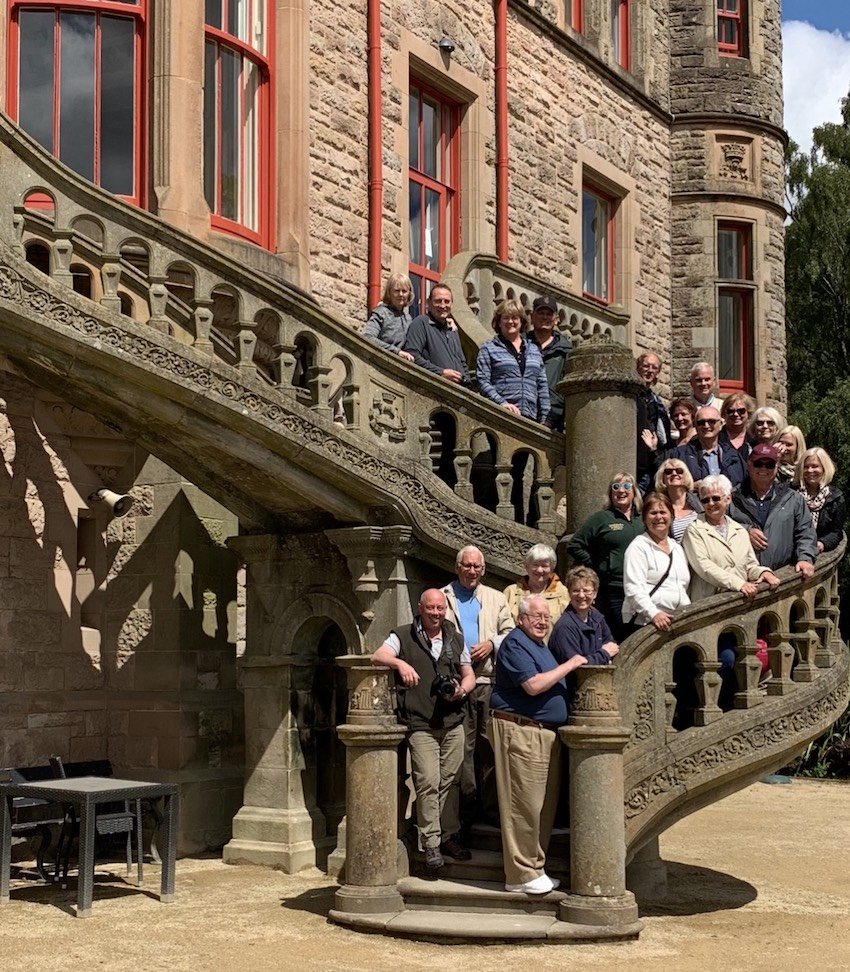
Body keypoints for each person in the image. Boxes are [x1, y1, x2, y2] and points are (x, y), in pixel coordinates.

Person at [487, 595, 587, 895]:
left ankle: (535, 868)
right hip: (520, 729)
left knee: (542, 807)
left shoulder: (540, 645)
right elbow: (532, 686)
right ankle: (519, 875)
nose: (542, 622)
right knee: (523, 805)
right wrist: (570, 664)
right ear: (521, 619)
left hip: (543, 732)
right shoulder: (515, 643)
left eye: (546, 616)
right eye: (535, 617)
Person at [371, 589, 476, 869]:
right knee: (428, 781)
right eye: (430, 608)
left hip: (453, 721)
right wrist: (399, 662)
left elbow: (469, 674)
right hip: (420, 723)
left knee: (450, 782)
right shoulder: (403, 635)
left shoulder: (455, 637)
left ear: (446, 610)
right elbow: (377, 656)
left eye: (440, 609)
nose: (435, 613)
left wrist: (461, 691)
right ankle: (430, 842)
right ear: (420, 607)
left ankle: (449, 836)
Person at [682, 475, 780, 707]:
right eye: (705, 500)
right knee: (722, 661)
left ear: (728, 499)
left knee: (743, 659)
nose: (711, 504)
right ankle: (711, 710)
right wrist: (738, 584)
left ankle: (731, 709)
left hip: (738, 608)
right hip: (710, 606)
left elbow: (749, 564)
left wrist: (762, 572)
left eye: (716, 498)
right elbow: (704, 566)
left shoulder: (738, 529)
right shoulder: (694, 529)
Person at [441, 546, 515, 834]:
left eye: (477, 567)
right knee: (462, 749)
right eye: (467, 565)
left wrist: (491, 644)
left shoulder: (495, 598)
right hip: (457, 683)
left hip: (487, 682)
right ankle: (466, 812)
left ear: (483, 570)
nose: (472, 571)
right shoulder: (443, 597)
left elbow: (510, 632)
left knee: (489, 747)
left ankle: (491, 809)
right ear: (457, 567)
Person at [565, 473, 644, 640]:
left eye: (627, 486)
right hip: (614, 588)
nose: (621, 491)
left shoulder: (642, 519)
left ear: (634, 491)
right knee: (620, 632)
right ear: (610, 493)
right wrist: (597, 564)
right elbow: (574, 545)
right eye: (616, 487)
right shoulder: (601, 518)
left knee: (639, 632)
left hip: (641, 585)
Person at [729, 443, 818, 577]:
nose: (763, 468)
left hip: (781, 577)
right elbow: (717, 527)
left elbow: (805, 532)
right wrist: (745, 531)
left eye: (769, 464)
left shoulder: (793, 498)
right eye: (758, 463)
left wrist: (805, 558)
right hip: (744, 579)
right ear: (749, 465)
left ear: (777, 467)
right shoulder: (731, 497)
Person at [622, 492, 690, 631]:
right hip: (647, 623)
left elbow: (683, 587)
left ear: (671, 516)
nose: (659, 517)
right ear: (645, 519)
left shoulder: (677, 548)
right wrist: (653, 613)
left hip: (677, 621)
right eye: (653, 513)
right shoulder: (638, 547)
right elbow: (633, 588)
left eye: (663, 512)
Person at [475, 299, 550, 423]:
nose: (510, 321)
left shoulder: (534, 350)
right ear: (499, 322)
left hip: (531, 418)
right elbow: (482, 381)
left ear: (521, 321)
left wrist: (545, 418)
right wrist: (501, 403)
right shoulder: (488, 348)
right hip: (501, 416)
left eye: (515, 318)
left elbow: (542, 386)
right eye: (506, 318)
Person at [549, 566, 619, 666]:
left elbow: (611, 646)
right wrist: (604, 655)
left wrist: (607, 654)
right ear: (569, 593)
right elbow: (576, 667)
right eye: (576, 590)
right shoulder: (565, 627)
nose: (581, 595)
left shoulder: (597, 618)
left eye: (586, 591)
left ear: (595, 593)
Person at [403, 283, 470, 385]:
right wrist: (440, 373)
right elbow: (412, 356)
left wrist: (466, 381)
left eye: (447, 301)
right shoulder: (421, 323)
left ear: (452, 304)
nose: (443, 305)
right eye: (438, 301)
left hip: (458, 392)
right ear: (429, 303)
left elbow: (462, 363)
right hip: (434, 390)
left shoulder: (452, 330)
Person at [671, 405, 746, 487]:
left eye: (711, 421)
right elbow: (665, 483)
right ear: (695, 426)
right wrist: (691, 486)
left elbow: (744, 485)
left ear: (721, 424)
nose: (706, 426)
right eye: (701, 423)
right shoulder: (679, 455)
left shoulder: (734, 456)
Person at [529, 295, 571, 432]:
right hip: (523, 412)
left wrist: (552, 417)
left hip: (552, 421)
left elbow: (567, 387)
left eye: (549, 314)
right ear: (532, 316)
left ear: (556, 319)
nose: (545, 317)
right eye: (540, 313)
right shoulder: (520, 344)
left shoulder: (566, 351)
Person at [503, 543, 571, 629]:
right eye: (535, 565)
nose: (539, 570)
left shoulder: (563, 593)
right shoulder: (511, 592)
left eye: (544, 566)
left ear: (552, 568)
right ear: (526, 566)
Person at [797, 447, 846, 553]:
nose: (810, 470)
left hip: (817, 553)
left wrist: (822, 543)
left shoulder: (836, 498)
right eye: (806, 467)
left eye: (814, 466)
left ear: (824, 468)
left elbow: (836, 532)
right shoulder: (791, 493)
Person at [636, 352, 671, 494]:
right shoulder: (631, 396)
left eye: (654, 368)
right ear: (637, 368)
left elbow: (664, 436)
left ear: (657, 373)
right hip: (634, 465)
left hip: (651, 465)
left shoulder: (656, 402)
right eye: (646, 366)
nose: (649, 370)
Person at [363, 272, 414, 360]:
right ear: (389, 293)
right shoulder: (381, 313)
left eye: (404, 291)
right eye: (397, 291)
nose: (401, 294)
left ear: (409, 293)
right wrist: (396, 351)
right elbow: (367, 337)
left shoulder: (408, 319)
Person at [654, 458, 703, 541]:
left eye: (679, 470)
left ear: (686, 476)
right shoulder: (659, 507)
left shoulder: (700, 499)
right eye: (668, 472)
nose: (674, 473)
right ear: (663, 478)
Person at [719, 393, 756, 461]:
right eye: (730, 411)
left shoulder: (755, 440)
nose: (735, 414)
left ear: (749, 413)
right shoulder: (716, 439)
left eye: (741, 411)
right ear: (724, 414)